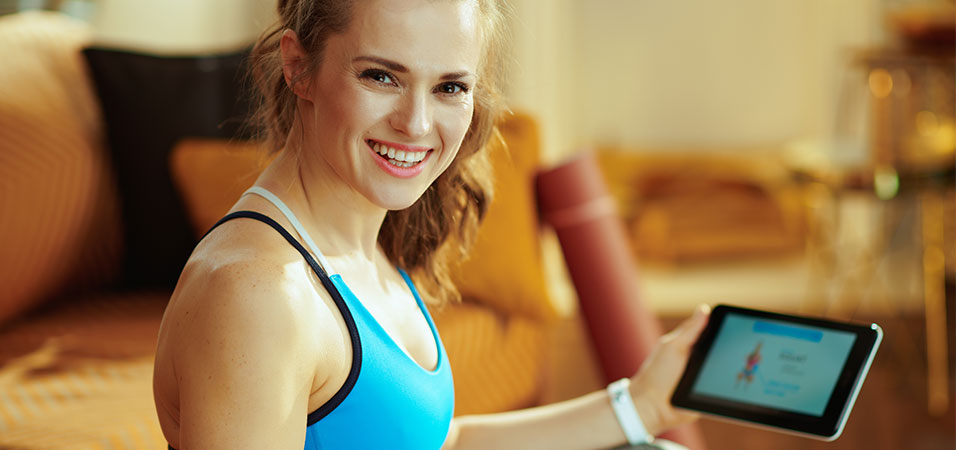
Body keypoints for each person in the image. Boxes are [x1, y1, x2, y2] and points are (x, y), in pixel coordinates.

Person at [151, 0, 710, 448]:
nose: (417, 124)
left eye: (449, 87)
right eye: (381, 77)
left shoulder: (357, 246)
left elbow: (437, 441)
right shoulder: (258, 294)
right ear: (299, 67)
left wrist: (638, 406)